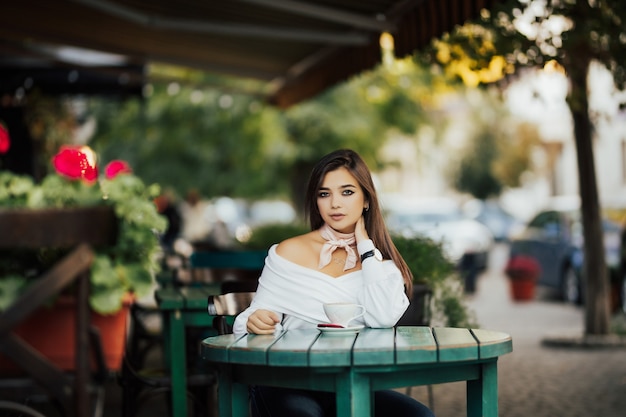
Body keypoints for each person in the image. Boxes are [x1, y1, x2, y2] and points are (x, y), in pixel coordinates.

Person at [233, 149, 434, 417]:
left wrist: (365, 247)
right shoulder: (287, 252)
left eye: (347, 192)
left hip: (354, 383)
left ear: (366, 200)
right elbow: (254, 317)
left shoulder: (383, 267)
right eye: (324, 194)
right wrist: (253, 320)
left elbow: (383, 317)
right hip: (288, 381)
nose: (335, 203)